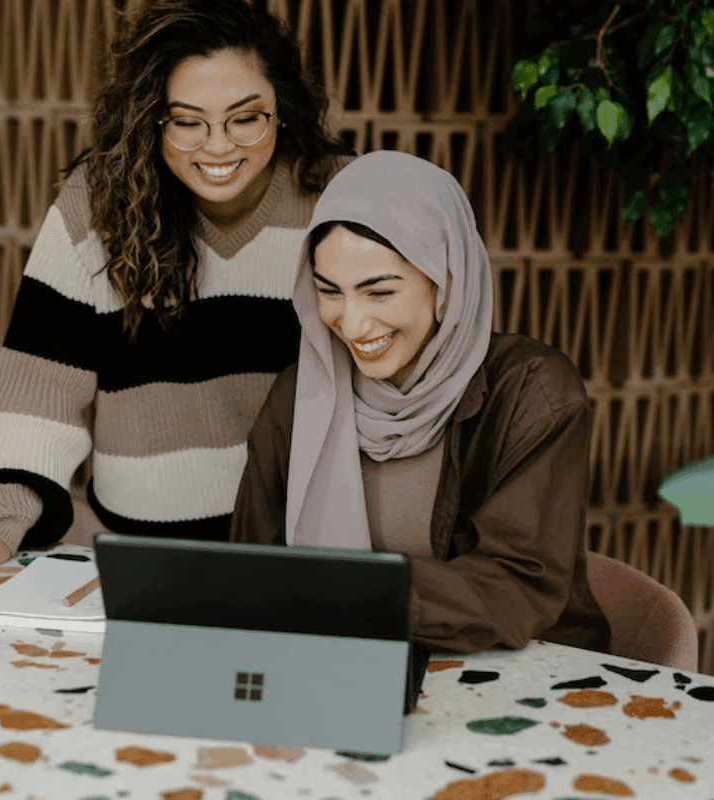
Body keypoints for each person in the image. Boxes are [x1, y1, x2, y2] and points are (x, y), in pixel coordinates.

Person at [0, 0, 350, 577]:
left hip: (300, 553)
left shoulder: (338, 199)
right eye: (187, 121)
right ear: (151, 119)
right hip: (138, 558)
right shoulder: (98, 204)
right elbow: (39, 386)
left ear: (282, 110)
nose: (218, 147)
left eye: (245, 117)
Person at [229, 150, 610, 654]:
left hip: (521, 675)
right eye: (329, 291)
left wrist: (344, 594)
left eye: (379, 292)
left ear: (445, 280)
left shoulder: (533, 393)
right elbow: (249, 566)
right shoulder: (299, 398)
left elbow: (516, 584)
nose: (353, 323)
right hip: (349, 667)